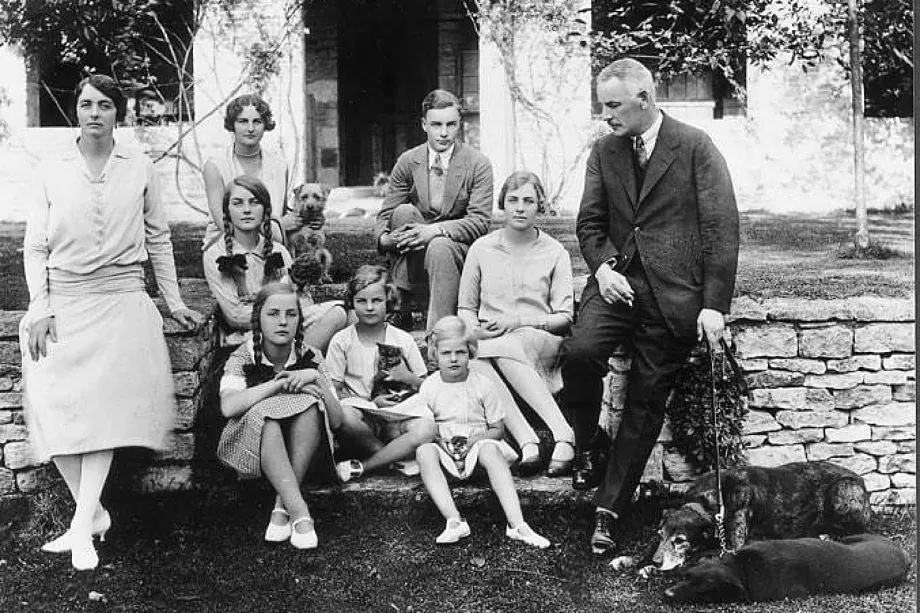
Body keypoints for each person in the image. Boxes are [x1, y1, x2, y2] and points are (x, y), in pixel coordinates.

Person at [20, 74, 203, 571]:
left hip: (122, 300)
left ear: (117, 113)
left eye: (104, 104)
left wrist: (173, 300)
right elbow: (35, 246)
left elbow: (159, 239)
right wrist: (40, 308)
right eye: (85, 104)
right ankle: (93, 514)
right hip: (65, 299)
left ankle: (81, 530)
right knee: (49, 400)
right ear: (75, 111)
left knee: (102, 410)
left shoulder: (139, 166)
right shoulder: (52, 169)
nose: (94, 112)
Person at [561, 58, 739, 555]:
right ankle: (591, 443)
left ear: (645, 97)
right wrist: (603, 270)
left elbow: (721, 230)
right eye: (602, 106)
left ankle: (607, 511)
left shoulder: (695, 146)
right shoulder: (604, 152)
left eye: (613, 105)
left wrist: (713, 305)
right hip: (617, 284)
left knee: (643, 404)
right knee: (578, 354)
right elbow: (590, 225)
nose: (606, 116)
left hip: (674, 298)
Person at [457, 171, 575, 476]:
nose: (520, 208)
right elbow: (466, 307)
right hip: (491, 342)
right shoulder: (481, 249)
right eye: (513, 200)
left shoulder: (555, 252)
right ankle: (528, 441)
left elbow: (564, 317)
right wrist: (473, 330)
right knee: (474, 355)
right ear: (503, 205)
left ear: (540, 207)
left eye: (528, 201)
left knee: (499, 346)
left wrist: (518, 320)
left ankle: (563, 432)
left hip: (542, 339)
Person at [217, 282, 343, 550]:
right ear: (258, 319)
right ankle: (299, 512)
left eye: (291, 314)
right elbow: (228, 408)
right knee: (267, 416)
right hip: (255, 452)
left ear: (300, 319)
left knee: (309, 405)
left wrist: (318, 383)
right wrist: (276, 384)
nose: (283, 322)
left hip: (304, 451)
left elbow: (337, 421)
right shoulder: (244, 357)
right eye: (273, 314)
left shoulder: (311, 357)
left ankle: (281, 507)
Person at [414, 316, 550, 548]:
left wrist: (475, 440)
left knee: (489, 449)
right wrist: (443, 444)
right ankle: (454, 520)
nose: (454, 359)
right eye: (446, 353)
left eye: (461, 352)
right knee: (424, 450)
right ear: (435, 354)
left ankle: (517, 524)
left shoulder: (483, 384)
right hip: (446, 450)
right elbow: (426, 426)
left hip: (479, 450)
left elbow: (497, 429)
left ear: (471, 352)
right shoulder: (430, 386)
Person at [375, 89, 493, 331]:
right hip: (413, 250)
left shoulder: (477, 163)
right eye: (436, 124)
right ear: (423, 125)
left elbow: (479, 222)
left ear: (459, 125)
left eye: (451, 125)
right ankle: (401, 303)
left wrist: (435, 231)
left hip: (454, 250)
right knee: (404, 213)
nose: (443, 132)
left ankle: (438, 333)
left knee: (439, 244)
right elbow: (386, 215)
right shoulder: (409, 161)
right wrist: (386, 239)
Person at [326, 265, 437, 481]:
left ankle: (368, 464)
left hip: (397, 415)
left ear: (388, 301)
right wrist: (372, 402)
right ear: (352, 302)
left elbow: (427, 387)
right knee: (345, 416)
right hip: (362, 421)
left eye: (376, 301)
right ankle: (395, 459)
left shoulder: (402, 339)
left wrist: (406, 377)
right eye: (361, 301)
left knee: (427, 428)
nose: (369, 307)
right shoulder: (342, 340)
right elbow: (334, 390)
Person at [203, 175, 292, 347]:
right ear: (227, 211)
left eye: (254, 202)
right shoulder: (216, 254)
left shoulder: (279, 252)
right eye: (237, 203)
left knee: (339, 313)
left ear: (265, 210)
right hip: (246, 340)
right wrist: (286, 314)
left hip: (285, 330)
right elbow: (236, 315)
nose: (246, 210)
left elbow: (299, 298)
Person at [202, 94, 299, 250]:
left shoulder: (279, 165)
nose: (250, 129)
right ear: (232, 125)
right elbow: (223, 223)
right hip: (227, 251)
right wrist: (278, 227)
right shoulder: (216, 166)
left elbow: (280, 213)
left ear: (265, 124)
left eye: (257, 121)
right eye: (242, 121)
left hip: (271, 250)